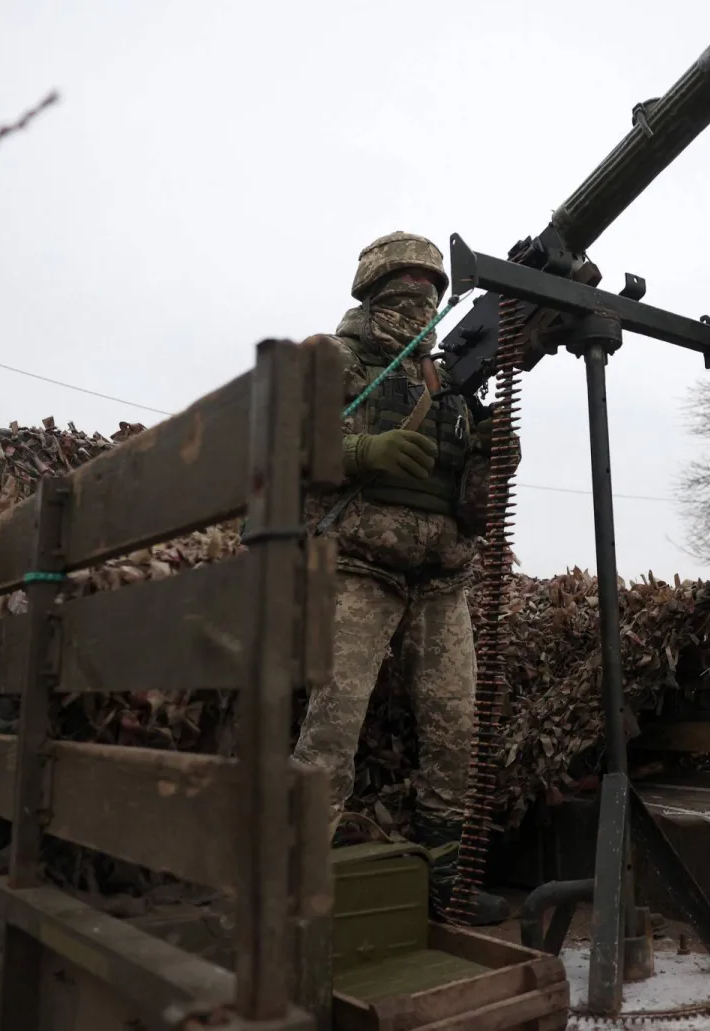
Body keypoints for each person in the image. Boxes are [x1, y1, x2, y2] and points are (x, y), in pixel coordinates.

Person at [294, 231, 511, 926]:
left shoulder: (445, 374)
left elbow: (477, 472)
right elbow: (285, 443)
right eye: (407, 285)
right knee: (333, 723)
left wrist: (492, 448)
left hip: (442, 576)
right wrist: (363, 451)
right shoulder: (335, 358)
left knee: (455, 731)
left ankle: (445, 880)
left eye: (431, 287)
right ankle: (295, 880)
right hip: (358, 566)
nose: (420, 298)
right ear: (376, 288)